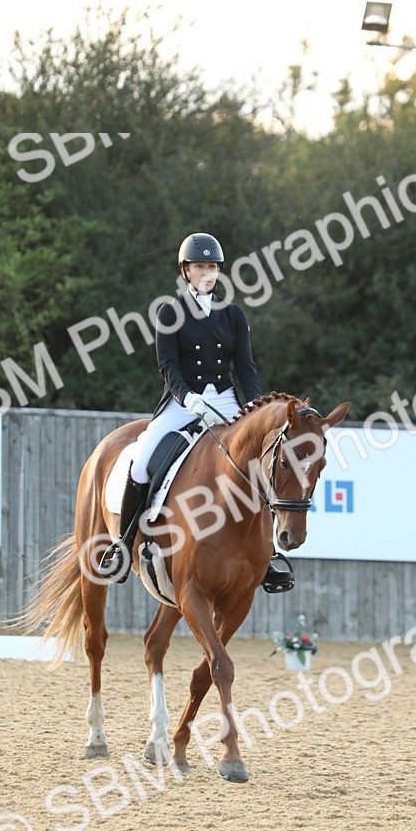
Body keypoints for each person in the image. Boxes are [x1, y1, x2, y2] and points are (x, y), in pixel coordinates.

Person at [101, 232, 294, 592]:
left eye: (212, 267)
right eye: (199, 266)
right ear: (185, 270)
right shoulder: (170, 311)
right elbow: (168, 365)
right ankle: (123, 546)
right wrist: (187, 398)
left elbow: (246, 367)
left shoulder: (232, 314)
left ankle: (264, 557)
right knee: (142, 460)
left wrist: (254, 408)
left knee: (259, 459)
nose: (206, 272)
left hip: (224, 400)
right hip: (182, 401)